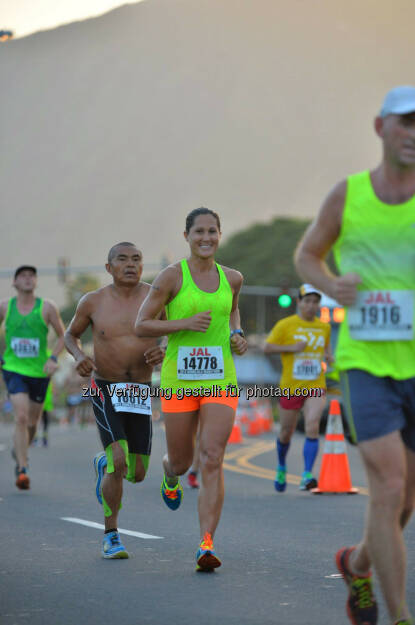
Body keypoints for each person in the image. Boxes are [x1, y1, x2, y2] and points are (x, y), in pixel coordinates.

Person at [294, 86, 415, 625]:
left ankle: (357, 563)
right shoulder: (350, 195)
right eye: (405, 123)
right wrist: (330, 283)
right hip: (366, 363)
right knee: (387, 487)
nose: (413, 134)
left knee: (404, 504)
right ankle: (400, 616)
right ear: (380, 127)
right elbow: (307, 254)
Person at [135, 207, 247, 571]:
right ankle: (169, 474)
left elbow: (232, 313)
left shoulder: (232, 278)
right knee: (182, 461)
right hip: (179, 380)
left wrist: (237, 335)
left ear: (219, 235)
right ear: (187, 236)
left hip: (219, 380)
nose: (206, 238)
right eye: (199, 231)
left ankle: (206, 543)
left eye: (212, 231)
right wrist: (183, 323)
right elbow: (142, 324)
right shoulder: (170, 278)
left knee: (213, 456)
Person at [64, 243, 164, 559]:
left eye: (137, 259)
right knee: (119, 461)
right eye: (122, 259)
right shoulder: (93, 301)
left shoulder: (157, 297)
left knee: (137, 473)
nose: (130, 265)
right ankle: (111, 535)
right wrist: (79, 355)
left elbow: (175, 333)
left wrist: (164, 349)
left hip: (140, 391)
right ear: (109, 267)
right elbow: (71, 335)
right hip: (104, 387)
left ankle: (104, 462)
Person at [0, 265, 65, 489]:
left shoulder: (46, 307)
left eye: (31, 276)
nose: (28, 279)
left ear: (36, 282)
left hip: (40, 371)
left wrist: (53, 359)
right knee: (20, 415)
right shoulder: (5, 307)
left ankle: (19, 449)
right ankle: (23, 467)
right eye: (23, 276)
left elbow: (63, 337)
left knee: (32, 423)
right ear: (15, 282)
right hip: (14, 368)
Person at [264, 284, 332, 491]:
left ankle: (307, 474)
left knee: (313, 424)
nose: (311, 306)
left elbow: (326, 351)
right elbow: (267, 348)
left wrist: (329, 357)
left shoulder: (324, 327)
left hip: (315, 384)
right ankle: (282, 467)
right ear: (299, 302)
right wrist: (291, 348)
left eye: (315, 302)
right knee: (286, 432)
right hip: (291, 386)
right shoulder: (286, 325)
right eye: (307, 301)